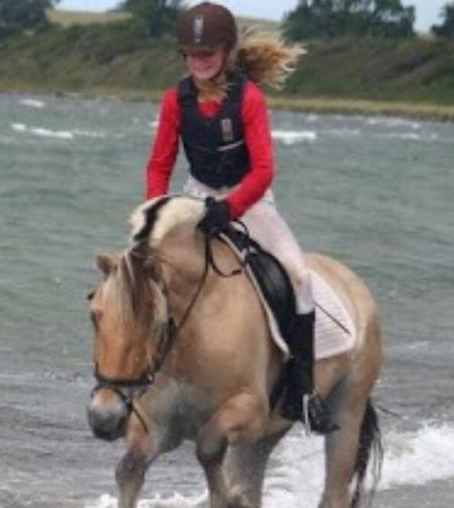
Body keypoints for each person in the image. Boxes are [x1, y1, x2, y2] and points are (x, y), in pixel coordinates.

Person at [144, 2, 336, 434]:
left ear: (227, 51)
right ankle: (140, 371)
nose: (200, 62)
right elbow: (159, 164)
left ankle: (302, 388)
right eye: (192, 55)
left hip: (248, 200)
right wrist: (156, 210)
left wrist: (228, 209)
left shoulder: (248, 98)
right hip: (195, 196)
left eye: (208, 53)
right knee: (150, 267)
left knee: (299, 275)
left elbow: (264, 169)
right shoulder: (176, 99)